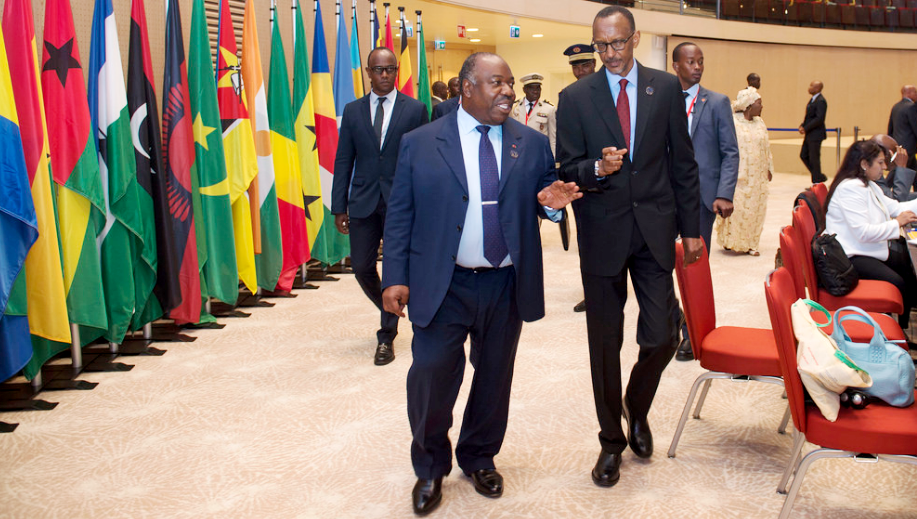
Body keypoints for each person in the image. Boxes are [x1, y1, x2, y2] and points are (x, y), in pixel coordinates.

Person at [382, 52, 581, 516]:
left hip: (505, 282)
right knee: (430, 376)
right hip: (443, 281)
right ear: (467, 88)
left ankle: (479, 457)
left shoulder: (530, 144)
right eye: (497, 83)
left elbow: (544, 198)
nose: (508, 91)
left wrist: (552, 205)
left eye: (509, 82)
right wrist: (394, 277)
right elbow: (400, 216)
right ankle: (430, 466)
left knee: (494, 377)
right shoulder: (421, 142)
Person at [555, 6, 702, 487]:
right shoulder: (575, 98)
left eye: (617, 44)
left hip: (655, 231)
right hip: (602, 232)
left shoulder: (665, 89)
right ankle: (610, 441)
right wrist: (596, 169)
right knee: (605, 344)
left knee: (660, 335)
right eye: (601, 45)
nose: (610, 54)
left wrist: (693, 228)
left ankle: (636, 407)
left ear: (635, 39)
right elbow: (567, 169)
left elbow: (683, 165)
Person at [330, 47, 429, 366]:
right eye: (378, 70)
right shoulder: (353, 110)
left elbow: (425, 161)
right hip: (362, 201)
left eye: (389, 70)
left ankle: (386, 335)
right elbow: (344, 159)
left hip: (403, 202)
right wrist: (338, 205)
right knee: (361, 267)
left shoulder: (415, 109)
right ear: (368, 72)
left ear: (396, 71)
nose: (384, 75)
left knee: (396, 268)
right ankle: (393, 308)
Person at [670, 41, 739, 361]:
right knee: (655, 266)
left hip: (699, 199)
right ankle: (673, 319)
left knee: (693, 266)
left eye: (701, 61)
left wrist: (724, 193)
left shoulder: (718, 102)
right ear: (676, 66)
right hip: (661, 196)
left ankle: (691, 334)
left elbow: (730, 152)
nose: (697, 67)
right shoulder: (663, 100)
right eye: (690, 62)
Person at [824, 139, 917, 330]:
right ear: (864, 164)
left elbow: (896, 207)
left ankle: (904, 326)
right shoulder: (851, 188)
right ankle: (899, 331)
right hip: (850, 256)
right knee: (897, 281)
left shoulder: (868, 184)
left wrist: (900, 217)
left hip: (865, 248)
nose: (884, 167)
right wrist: (897, 223)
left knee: (907, 264)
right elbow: (863, 232)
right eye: (880, 163)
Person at [715, 87, 773, 256]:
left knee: (755, 210)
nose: (762, 106)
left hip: (758, 177)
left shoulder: (760, 123)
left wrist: (769, 168)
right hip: (738, 176)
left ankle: (751, 244)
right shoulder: (733, 122)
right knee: (737, 210)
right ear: (748, 105)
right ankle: (730, 241)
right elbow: (724, 148)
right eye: (759, 103)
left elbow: (767, 147)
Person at [563, 44, 597, 314]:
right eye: (576, 66)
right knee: (586, 241)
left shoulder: (609, 92)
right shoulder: (567, 96)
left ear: (594, 64)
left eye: (585, 65)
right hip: (582, 180)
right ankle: (592, 291)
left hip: (613, 176)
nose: (581, 71)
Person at [511, 73, 556, 154]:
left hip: (539, 153)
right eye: (531, 88)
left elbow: (553, 139)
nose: (535, 91)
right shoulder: (514, 107)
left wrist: (553, 161)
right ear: (524, 89)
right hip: (519, 153)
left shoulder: (549, 109)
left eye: (538, 88)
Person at [871, 134, 916, 201]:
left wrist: (896, 168)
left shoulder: (874, 164)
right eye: (895, 154)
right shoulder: (871, 171)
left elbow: (886, 188)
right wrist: (902, 168)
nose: (897, 158)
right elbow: (897, 201)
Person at [799, 80, 828, 183]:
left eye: (811, 86)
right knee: (804, 155)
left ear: (817, 88)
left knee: (814, 159)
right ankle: (818, 176)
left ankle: (816, 182)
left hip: (816, 135)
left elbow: (819, 118)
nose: (809, 87)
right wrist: (802, 125)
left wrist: (806, 128)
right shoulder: (813, 100)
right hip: (810, 134)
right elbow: (809, 117)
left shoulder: (821, 101)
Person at [887, 85, 917, 171]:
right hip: (909, 147)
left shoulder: (896, 106)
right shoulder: (911, 107)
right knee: (897, 171)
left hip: (898, 145)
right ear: (908, 93)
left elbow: (890, 128)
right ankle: (885, 184)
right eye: (915, 92)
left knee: (913, 170)